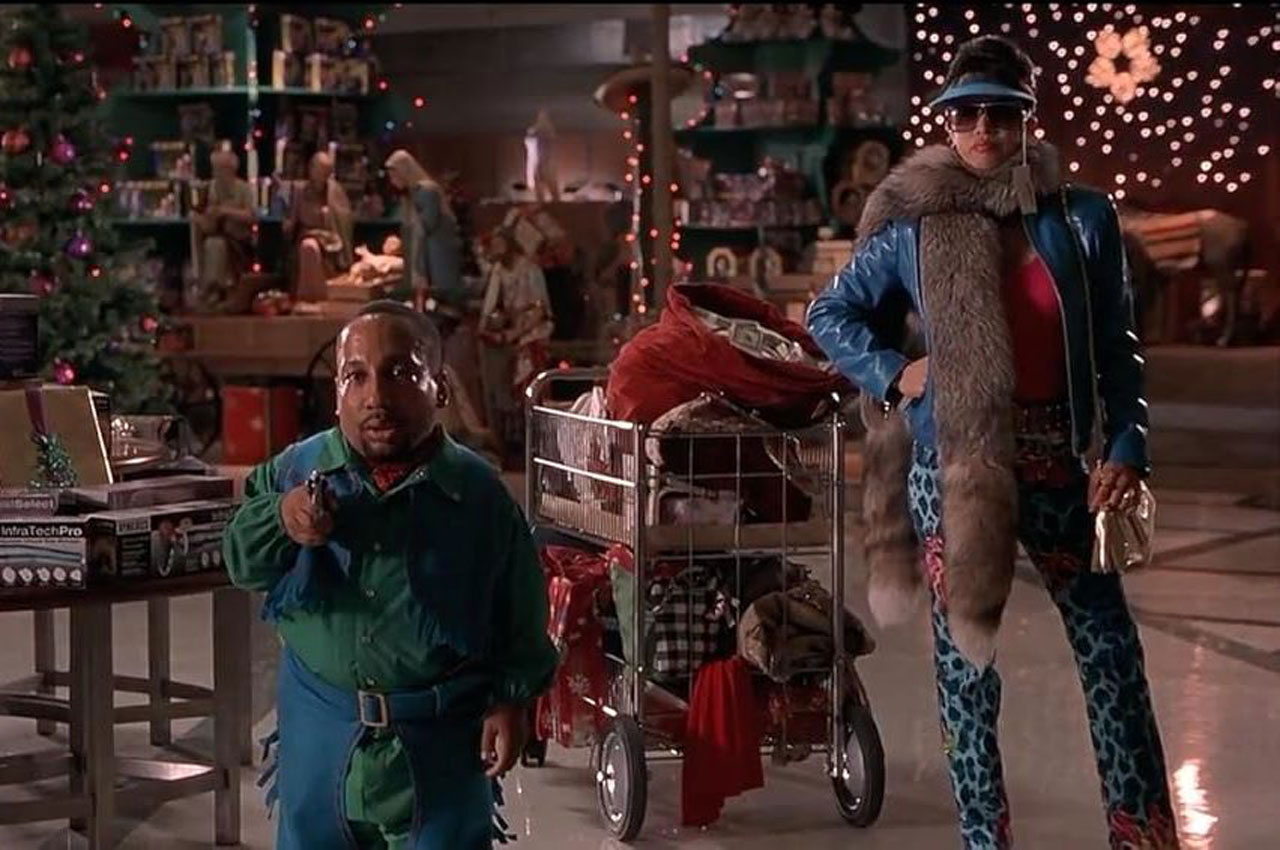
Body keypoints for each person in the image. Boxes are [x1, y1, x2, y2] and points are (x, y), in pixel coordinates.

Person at [806, 36, 1179, 850]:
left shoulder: (1082, 219)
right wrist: (894, 373)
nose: (984, 129)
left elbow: (1118, 347)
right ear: (945, 123)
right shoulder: (915, 227)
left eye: (1001, 114)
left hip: (1060, 464)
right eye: (967, 113)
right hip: (955, 469)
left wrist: (1125, 444)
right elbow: (828, 312)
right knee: (967, 671)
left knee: (1112, 655)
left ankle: (1142, 834)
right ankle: (984, 838)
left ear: (1027, 120)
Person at [223, 300, 557, 850]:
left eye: (400, 373)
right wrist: (281, 516)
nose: (375, 397)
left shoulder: (478, 495)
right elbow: (240, 560)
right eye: (355, 376)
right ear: (337, 393)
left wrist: (510, 701)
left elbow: (519, 608)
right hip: (320, 740)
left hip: (442, 744)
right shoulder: (295, 470)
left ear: (440, 389)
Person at [477, 228, 553, 450]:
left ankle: (537, 437)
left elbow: (540, 309)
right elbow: (491, 304)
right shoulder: (499, 270)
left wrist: (515, 333)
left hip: (532, 332)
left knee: (528, 380)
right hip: (511, 333)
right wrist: (486, 327)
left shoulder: (530, 270)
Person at [384, 149, 465, 315]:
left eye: (394, 176)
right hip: (428, 256)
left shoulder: (427, 191)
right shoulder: (410, 196)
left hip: (438, 255)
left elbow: (426, 224)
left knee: (442, 301)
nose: (392, 181)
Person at [284, 150, 353, 302]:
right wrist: (288, 225)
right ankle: (308, 297)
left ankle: (325, 296)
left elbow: (345, 218)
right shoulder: (299, 191)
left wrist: (330, 215)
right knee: (309, 247)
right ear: (311, 169)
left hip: (331, 237)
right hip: (307, 234)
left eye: (327, 171)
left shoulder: (335, 191)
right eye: (320, 170)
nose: (323, 175)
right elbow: (291, 220)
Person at [192, 148, 256, 306]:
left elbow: (251, 217)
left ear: (230, 170)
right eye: (215, 169)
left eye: (219, 169)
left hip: (239, 239)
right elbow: (200, 215)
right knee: (212, 243)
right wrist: (204, 218)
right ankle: (210, 287)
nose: (216, 173)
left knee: (216, 245)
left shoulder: (243, 188)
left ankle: (218, 289)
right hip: (216, 234)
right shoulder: (210, 189)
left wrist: (225, 211)